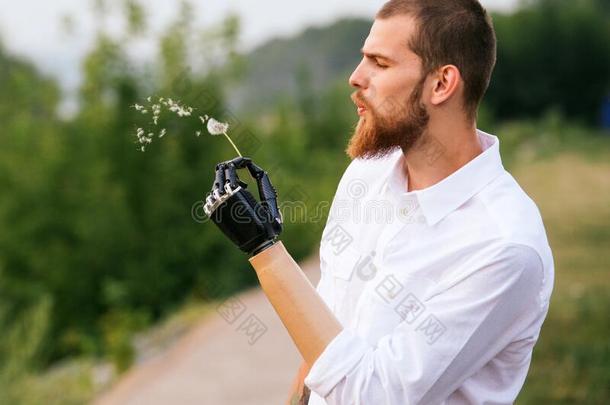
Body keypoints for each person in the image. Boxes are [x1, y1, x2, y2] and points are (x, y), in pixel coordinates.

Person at [203, 1, 555, 404]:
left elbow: (369, 395)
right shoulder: (368, 173)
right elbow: (324, 346)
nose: (356, 78)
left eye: (380, 63)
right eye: (362, 59)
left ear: (442, 84)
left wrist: (264, 251)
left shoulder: (504, 248)